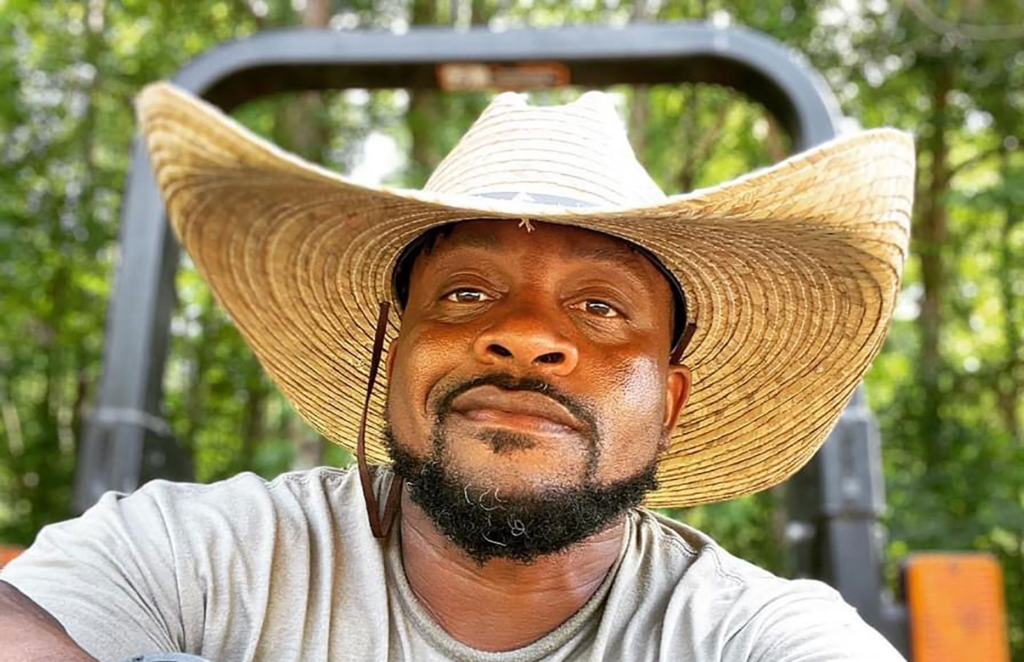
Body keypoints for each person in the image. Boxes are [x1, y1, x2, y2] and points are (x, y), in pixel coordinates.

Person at [0, 83, 914, 662]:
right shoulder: (202, 557)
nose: (523, 339)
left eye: (599, 308)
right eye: (467, 294)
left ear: (669, 402)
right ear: (393, 356)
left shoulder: (747, 635)